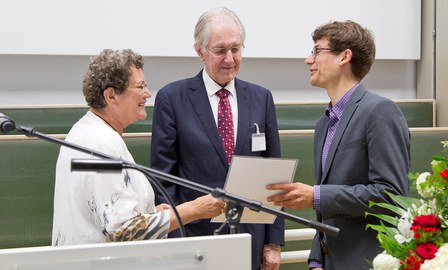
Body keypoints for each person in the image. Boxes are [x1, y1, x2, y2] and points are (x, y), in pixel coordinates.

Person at [266, 21, 410, 269]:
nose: (308, 60)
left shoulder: (380, 111)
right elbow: (326, 208)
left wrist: (315, 196)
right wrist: (316, 258)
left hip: (367, 262)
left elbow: (391, 196)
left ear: (345, 56)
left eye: (317, 51)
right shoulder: (324, 123)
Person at [150, 7, 284, 270]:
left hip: (250, 239)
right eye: (220, 50)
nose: (230, 58)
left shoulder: (261, 98)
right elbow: (163, 178)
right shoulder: (172, 98)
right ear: (200, 51)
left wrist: (273, 242)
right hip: (194, 240)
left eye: (236, 49)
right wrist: (176, 241)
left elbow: (273, 176)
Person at [52, 49, 225, 246]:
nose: (147, 94)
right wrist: (194, 209)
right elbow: (124, 230)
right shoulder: (101, 143)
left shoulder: (85, 131)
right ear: (111, 96)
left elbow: (111, 213)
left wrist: (151, 214)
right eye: (140, 86)